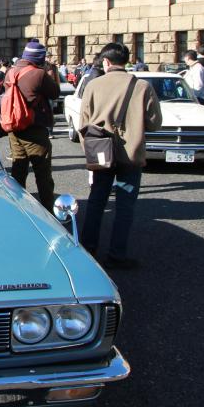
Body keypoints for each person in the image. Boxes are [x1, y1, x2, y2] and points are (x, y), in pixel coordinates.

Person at [77, 42, 163, 269]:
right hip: (131, 153)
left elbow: (83, 123)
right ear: (127, 61)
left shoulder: (93, 85)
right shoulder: (142, 86)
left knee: (96, 201)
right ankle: (117, 253)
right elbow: (155, 123)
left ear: (105, 62)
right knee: (125, 206)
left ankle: (88, 248)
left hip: (101, 152)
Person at [3, 39, 60, 213]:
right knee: (42, 174)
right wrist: (51, 73)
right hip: (34, 128)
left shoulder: (10, 72)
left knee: (18, 170)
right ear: (39, 58)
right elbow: (55, 92)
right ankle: (47, 212)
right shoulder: (39, 74)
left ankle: (17, 209)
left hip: (14, 126)